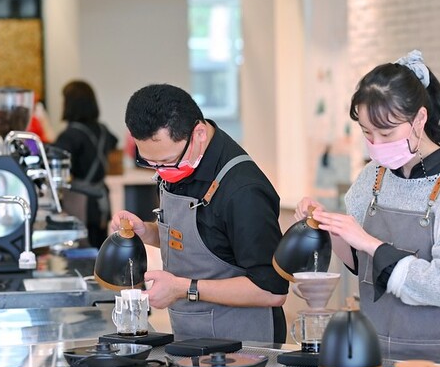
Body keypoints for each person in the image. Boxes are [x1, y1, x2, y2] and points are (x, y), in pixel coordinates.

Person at [295, 50, 440, 361]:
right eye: (367, 133)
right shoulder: (372, 177)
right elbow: (361, 265)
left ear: (420, 120)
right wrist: (326, 224)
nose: (376, 144)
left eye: (386, 132)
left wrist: (370, 243)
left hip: (439, 362)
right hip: (372, 353)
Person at [111, 84, 288, 342]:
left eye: (168, 162)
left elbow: (272, 291)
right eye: (151, 163)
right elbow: (206, 241)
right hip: (192, 342)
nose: (161, 171)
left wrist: (184, 289)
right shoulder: (182, 161)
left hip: (246, 349)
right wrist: (147, 232)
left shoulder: (243, 190)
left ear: (199, 134)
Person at [53, 80, 118, 248]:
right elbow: (114, 142)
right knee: (100, 246)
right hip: (101, 197)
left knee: (81, 250)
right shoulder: (103, 129)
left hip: (80, 200)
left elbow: (55, 158)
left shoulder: (70, 135)